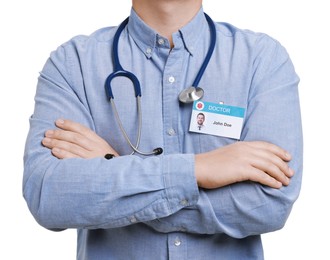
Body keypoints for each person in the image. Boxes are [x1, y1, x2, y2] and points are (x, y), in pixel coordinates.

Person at [23, 0, 303, 259]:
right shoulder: (73, 64)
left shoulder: (262, 60)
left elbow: (270, 205)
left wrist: (116, 169)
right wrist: (198, 169)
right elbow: (48, 195)